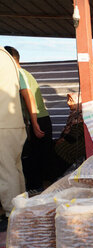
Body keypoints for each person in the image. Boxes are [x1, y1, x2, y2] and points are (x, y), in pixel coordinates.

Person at [5, 46, 53, 193]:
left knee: (35, 157)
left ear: (10, 59)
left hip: (38, 119)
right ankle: (41, 189)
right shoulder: (24, 73)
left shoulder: (18, 73)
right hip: (38, 119)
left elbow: (28, 97)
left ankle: (38, 189)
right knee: (38, 156)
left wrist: (34, 124)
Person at [0, 46, 27, 230]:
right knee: (15, 169)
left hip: (3, 123)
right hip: (14, 123)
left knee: (6, 171)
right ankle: (21, 209)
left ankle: (12, 216)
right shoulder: (7, 57)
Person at [52, 92, 85, 179]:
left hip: (79, 143)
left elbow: (74, 135)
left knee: (60, 148)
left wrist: (63, 140)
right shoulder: (74, 115)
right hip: (72, 140)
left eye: (71, 100)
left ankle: (57, 174)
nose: (68, 103)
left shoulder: (81, 116)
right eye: (68, 100)